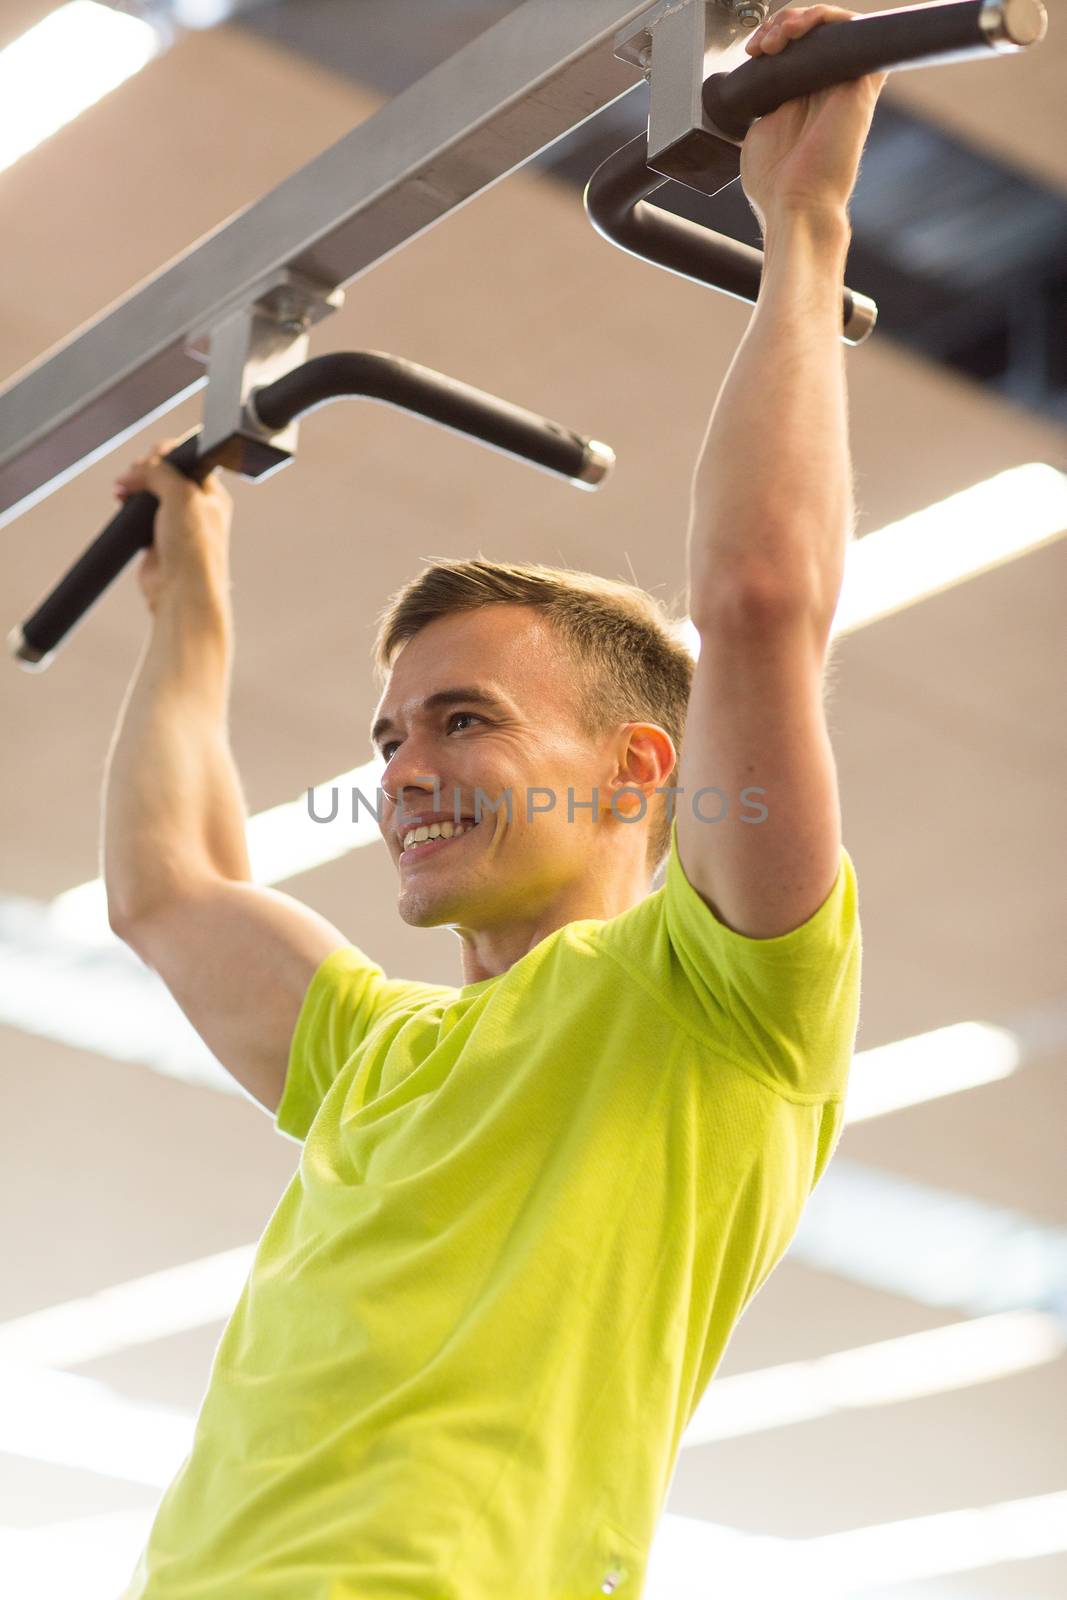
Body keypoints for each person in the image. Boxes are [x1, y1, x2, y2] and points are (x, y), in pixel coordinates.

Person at [105, 7, 881, 1595]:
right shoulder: (372, 1055)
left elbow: (752, 601)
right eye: (389, 738)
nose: (400, 775)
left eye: (462, 721)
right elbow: (166, 888)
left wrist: (804, 226)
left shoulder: (717, 1001)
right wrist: (195, 594)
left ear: (635, 774)